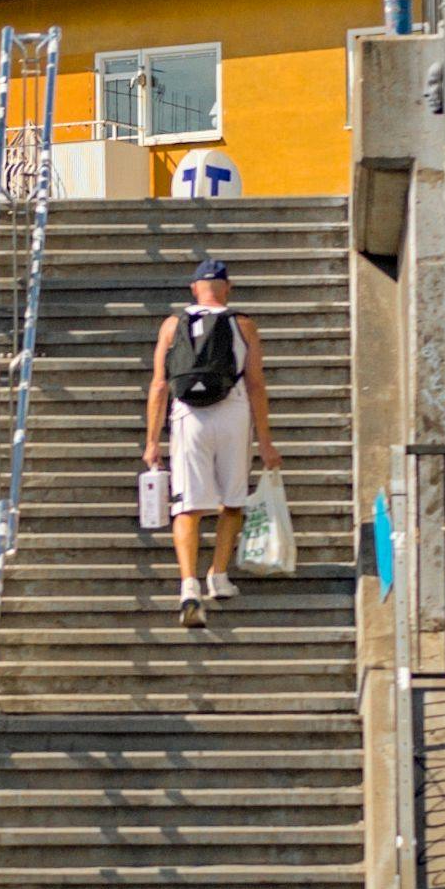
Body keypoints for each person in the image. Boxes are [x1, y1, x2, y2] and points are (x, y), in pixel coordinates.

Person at [143, 249, 279, 629]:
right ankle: (218, 576)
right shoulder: (244, 324)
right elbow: (256, 384)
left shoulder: (172, 324)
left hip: (189, 416)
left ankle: (188, 585)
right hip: (233, 414)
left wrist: (152, 440)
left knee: (187, 505)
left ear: (194, 289)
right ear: (227, 289)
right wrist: (266, 442)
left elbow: (158, 385)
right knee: (232, 500)